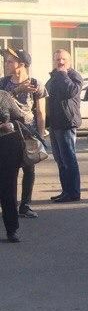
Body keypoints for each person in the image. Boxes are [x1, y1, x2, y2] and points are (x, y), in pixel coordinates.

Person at [0, 48, 46, 218]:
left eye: (10, 61)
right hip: (7, 133)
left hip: (28, 132)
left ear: (22, 64)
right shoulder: (3, 83)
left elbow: (41, 112)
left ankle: (25, 206)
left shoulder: (35, 83)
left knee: (29, 169)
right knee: (9, 171)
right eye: (6, 61)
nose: (6, 63)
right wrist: (17, 90)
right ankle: (8, 206)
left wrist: (40, 135)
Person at [45, 49, 83, 203]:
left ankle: (73, 193)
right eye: (57, 60)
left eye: (63, 59)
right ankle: (65, 190)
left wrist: (62, 74)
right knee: (60, 160)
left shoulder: (73, 76)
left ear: (70, 61)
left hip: (67, 123)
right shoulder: (53, 77)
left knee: (69, 159)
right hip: (54, 124)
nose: (60, 62)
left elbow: (71, 91)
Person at [0, 89, 27, 242]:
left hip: (8, 147)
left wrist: (10, 124)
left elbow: (20, 118)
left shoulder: (3, 96)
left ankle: (12, 229)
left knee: (8, 190)